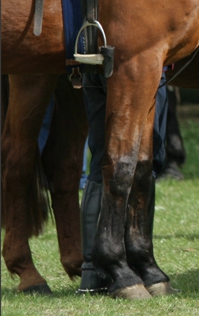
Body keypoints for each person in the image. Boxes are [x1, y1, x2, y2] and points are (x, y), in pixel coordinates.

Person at [77, 71, 169, 294]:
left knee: (121, 157)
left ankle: (106, 268)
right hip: (131, 66)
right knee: (124, 158)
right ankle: (107, 267)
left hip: (105, 62)